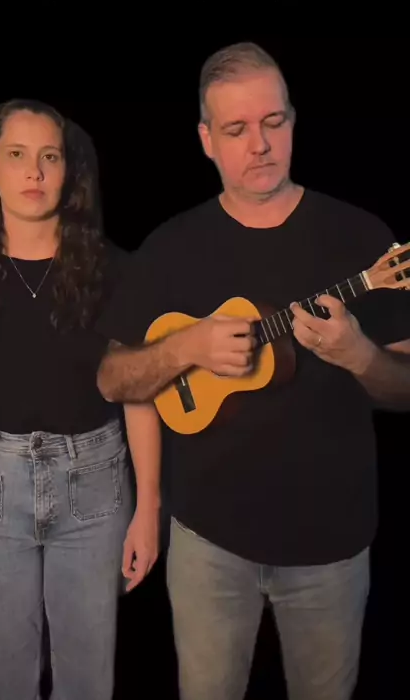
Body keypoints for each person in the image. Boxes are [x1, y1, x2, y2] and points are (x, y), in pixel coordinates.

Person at [94, 43, 410, 700]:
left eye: (274, 122)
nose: (259, 144)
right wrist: (185, 349)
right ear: (207, 140)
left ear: (293, 121)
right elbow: (114, 380)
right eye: (236, 129)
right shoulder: (170, 248)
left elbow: (406, 388)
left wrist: (359, 355)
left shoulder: (361, 239)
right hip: (207, 546)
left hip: (332, 548)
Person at [0, 99, 161, 700]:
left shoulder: (114, 270)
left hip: (95, 487)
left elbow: (139, 392)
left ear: (67, 171)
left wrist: (148, 510)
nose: (33, 172)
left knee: (87, 680)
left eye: (49, 157)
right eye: (17, 155)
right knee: (0, 682)